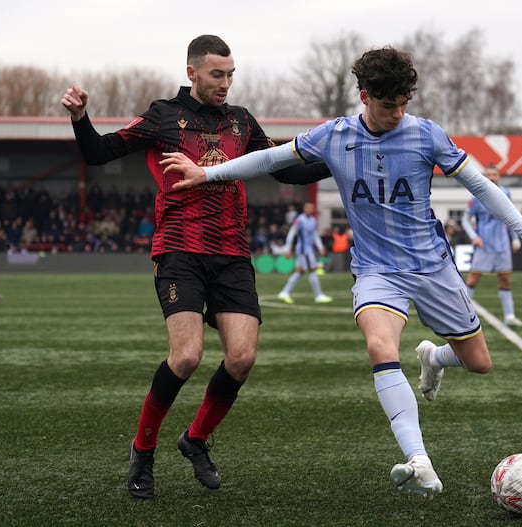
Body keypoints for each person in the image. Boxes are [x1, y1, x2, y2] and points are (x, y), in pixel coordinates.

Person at [160, 46, 522, 498]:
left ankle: (432, 357)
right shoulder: (334, 135)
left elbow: (481, 186)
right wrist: (207, 173)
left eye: (403, 104)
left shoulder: (427, 135)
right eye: (389, 105)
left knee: (479, 363)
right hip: (376, 269)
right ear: (364, 96)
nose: (398, 113)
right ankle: (419, 459)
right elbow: (270, 160)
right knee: (378, 344)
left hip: (432, 265)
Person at [61, 34, 329, 500]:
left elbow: (285, 169)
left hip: (232, 255)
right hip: (179, 251)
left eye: (230, 75)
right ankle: (143, 449)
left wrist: (340, 160)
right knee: (185, 356)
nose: (225, 83)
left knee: (242, 358)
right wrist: (81, 118)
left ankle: (196, 439)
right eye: (216, 75)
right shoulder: (163, 116)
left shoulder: (243, 122)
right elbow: (98, 152)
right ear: (192, 73)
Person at [460, 163, 522, 328]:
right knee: (473, 278)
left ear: (499, 177)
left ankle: (509, 316)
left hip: (502, 244)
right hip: (484, 245)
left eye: (494, 175)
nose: (491, 177)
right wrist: (474, 236)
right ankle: (461, 315)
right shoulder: (476, 196)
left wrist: (515, 238)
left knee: (505, 279)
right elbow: (465, 220)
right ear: (484, 177)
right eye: (488, 174)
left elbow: (511, 216)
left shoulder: (505, 193)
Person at [277, 201, 332, 304]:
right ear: (304, 209)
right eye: (308, 207)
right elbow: (292, 233)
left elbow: (314, 235)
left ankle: (284, 292)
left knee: (300, 271)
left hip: (308, 249)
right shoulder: (300, 220)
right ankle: (318, 295)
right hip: (303, 250)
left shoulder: (313, 220)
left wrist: (320, 246)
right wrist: (288, 249)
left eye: (311, 208)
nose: (310, 209)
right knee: (312, 270)